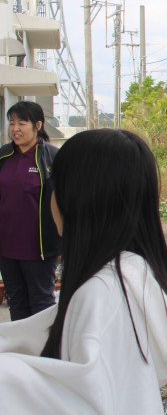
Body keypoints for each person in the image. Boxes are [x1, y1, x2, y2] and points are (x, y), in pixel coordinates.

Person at [0, 129, 167, 414]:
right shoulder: (127, 275)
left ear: (78, 199)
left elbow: (76, 398)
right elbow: (37, 331)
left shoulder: (101, 292)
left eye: (55, 184)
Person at [0, 101, 60, 320]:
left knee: (41, 302)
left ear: (37, 125)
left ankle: (43, 352)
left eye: (21, 123)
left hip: (39, 249)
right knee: (16, 302)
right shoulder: (3, 156)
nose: (15, 128)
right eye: (11, 123)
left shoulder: (53, 158)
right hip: (6, 247)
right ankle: (20, 351)